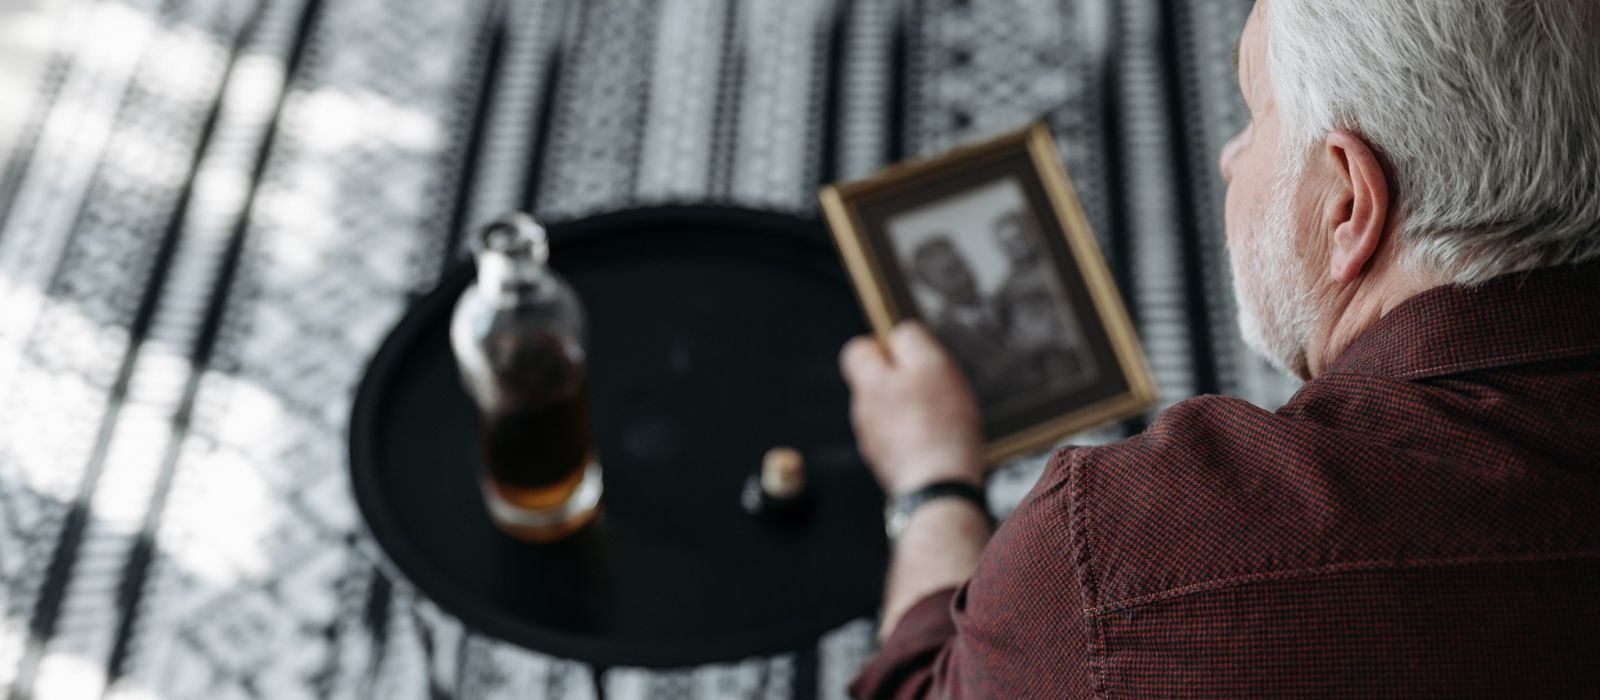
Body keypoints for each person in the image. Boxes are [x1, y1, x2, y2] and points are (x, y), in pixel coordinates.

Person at [840, 0, 1600, 696]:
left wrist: (931, 486)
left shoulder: (1120, 552)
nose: (1229, 156)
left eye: (1254, 113)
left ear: (1348, 206)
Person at [907, 237, 1019, 406]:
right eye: (950, 271)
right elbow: (968, 396)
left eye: (962, 263)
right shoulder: (938, 338)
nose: (964, 274)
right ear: (930, 285)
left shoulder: (1010, 300)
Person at [990, 211, 1088, 391]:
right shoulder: (1005, 293)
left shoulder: (1068, 262)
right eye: (1007, 244)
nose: (1015, 247)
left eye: (1019, 237)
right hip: (1051, 362)